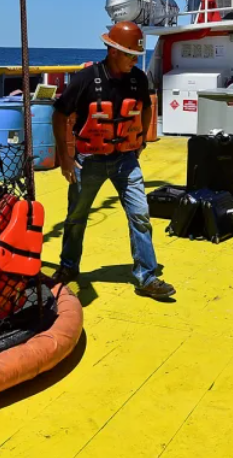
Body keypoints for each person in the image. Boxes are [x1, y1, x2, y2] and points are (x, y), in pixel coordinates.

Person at [50, 21, 176, 299]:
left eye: (137, 55)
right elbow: (59, 115)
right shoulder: (85, 80)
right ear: (113, 51)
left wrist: (140, 141)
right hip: (89, 161)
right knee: (76, 216)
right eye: (131, 54)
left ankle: (147, 276)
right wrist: (66, 158)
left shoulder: (138, 79)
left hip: (126, 160)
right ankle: (69, 266)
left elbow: (144, 109)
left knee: (140, 215)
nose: (135, 60)